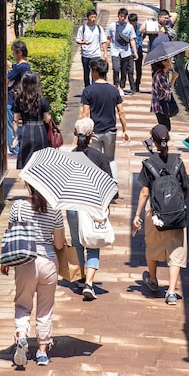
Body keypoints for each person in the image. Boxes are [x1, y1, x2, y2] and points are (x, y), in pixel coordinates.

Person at [1, 184, 65, 367]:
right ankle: (42, 352)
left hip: (25, 262)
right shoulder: (55, 209)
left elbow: (12, 236)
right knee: (45, 308)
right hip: (48, 263)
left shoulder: (18, 207)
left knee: (23, 303)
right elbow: (59, 245)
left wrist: (5, 262)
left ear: (29, 185)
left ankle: (21, 337)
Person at [132, 124, 189, 304]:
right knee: (176, 249)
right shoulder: (178, 162)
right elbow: (185, 188)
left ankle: (153, 279)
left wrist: (137, 215)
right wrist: (177, 205)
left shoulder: (148, 164)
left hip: (155, 212)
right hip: (176, 212)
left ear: (153, 141)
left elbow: (144, 192)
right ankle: (172, 292)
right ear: (169, 139)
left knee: (152, 246)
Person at [66, 117, 114, 301]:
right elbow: (109, 186)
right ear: (92, 135)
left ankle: (80, 278)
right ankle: (89, 283)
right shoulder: (99, 158)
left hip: (72, 207)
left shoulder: (69, 157)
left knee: (77, 243)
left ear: (75, 134)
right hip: (92, 206)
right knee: (93, 245)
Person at [80, 59, 130, 163]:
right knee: (110, 161)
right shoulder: (114, 90)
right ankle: (112, 178)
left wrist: (83, 132)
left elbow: (85, 112)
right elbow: (121, 112)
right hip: (110, 131)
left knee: (94, 161)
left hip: (94, 132)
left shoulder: (88, 90)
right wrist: (125, 130)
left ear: (95, 72)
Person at [12, 71, 51, 169]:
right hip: (40, 129)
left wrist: (15, 136)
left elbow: (15, 120)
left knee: (26, 160)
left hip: (26, 131)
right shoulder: (42, 99)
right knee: (41, 160)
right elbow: (47, 119)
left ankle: (27, 183)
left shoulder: (19, 99)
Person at [7, 40, 31, 158]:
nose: (13, 55)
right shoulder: (25, 66)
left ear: (19, 53)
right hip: (19, 99)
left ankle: (15, 150)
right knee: (16, 124)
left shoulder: (20, 68)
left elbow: (7, 78)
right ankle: (19, 147)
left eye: (14, 53)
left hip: (11, 100)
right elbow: (13, 66)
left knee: (11, 125)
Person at [107, 7, 138, 94]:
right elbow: (109, 38)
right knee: (116, 68)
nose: (122, 18)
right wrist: (105, 50)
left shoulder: (129, 27)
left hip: (126, 51)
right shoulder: (112, 26)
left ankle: (122, 86)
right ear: (118, 16)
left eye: (124, 17)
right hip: (115, 50)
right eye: (121, 16)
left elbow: (132, 40)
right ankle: (116, 86)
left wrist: (135, 52)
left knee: (124, 70)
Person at [75, 9, 109, 88]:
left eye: (94, 17)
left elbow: (103, 41)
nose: (93, 19)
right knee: (86, 74)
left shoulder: (99, 28)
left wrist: (105, 52)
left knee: (96, 72)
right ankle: (87, 89)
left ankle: (95, 88)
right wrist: (83, 43)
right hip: (85, 55)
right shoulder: (82, 28)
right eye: (91, 17)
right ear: (88, 17)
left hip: (95, 54)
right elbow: (78, 40)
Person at [151, 53, 178, 130]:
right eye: (169, 60)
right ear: (163, 62)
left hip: (162, 105)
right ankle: (150, 140)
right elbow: (167, 90)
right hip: (160, 105)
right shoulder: (160, 75)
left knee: (165, 128)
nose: (171, 62)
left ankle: (151, 140)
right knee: (165, 128)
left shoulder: (163, 73)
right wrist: (173, 78)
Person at [128, 12, 144, 93]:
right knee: (130, 70)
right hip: (129, 51)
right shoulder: (127, 28)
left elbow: (144, 33)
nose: (132, 24)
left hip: (139, 51)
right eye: (130, 22)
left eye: (133, 22)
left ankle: (137, 84)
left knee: (139, 69)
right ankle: (132, 86)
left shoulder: (140, 27)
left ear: (136, 21)